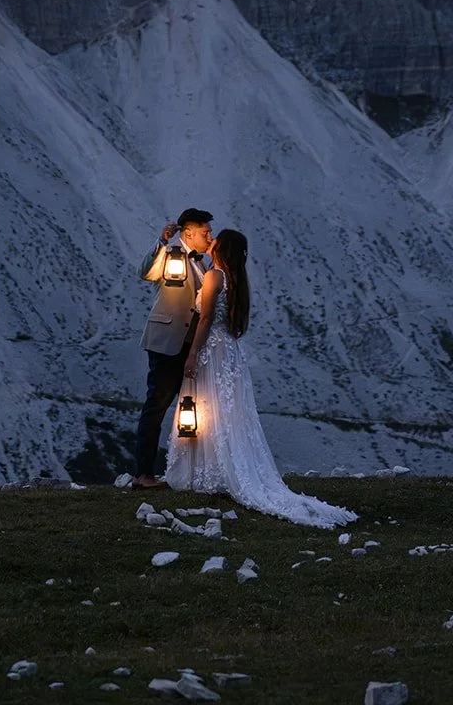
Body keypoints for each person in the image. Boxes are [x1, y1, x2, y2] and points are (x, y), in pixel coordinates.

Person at [165, 228, 356, 527]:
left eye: (216, 240)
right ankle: (219, 469)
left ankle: (210, 471)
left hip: (213, 349)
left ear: (223, 249)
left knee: (209, 407)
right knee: (225, 411)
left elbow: (205, 319)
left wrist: (192, 353)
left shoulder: (215, 277)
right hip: (230, 351)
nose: (211, 241)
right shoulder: (236, 280)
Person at [132, 207, 214, 489]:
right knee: (156, 406)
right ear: (188, 233)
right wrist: (162, 241)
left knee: (193, 411)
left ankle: (188, 471)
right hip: (166, 343)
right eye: (205, 233)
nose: (209, 237)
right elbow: (144, 272)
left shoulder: (203, 264)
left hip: (190, 347)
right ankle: (143, 474)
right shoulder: (170, 254)